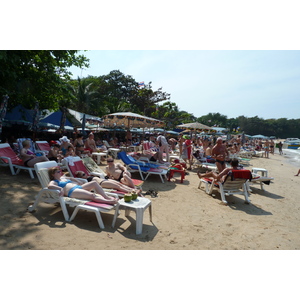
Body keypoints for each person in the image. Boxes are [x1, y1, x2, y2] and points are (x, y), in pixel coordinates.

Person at [47, 166, 118, 204]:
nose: (60, 172)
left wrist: (77, 180)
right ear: (53, 174)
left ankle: (106, 197)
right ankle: (109, 201)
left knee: (94, 183)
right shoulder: (54, 181)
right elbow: (49, 186)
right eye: (58, 172)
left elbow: (71, 177)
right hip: (72, 191)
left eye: (60, 171)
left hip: (78, 187)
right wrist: (60, 189)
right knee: (92, 195)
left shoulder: (63, 177)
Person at [75, 171, 141, 194]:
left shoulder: (88, 177)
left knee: (119, 184)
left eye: (84, 173)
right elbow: (77, 179)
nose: (85, 175)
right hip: (102, 183)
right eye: (83, 175)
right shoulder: (85, 181)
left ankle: (134, 190)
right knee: (118, 187)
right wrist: (78, 174)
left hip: (105, 180)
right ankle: (133, 192)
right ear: (81, 177)